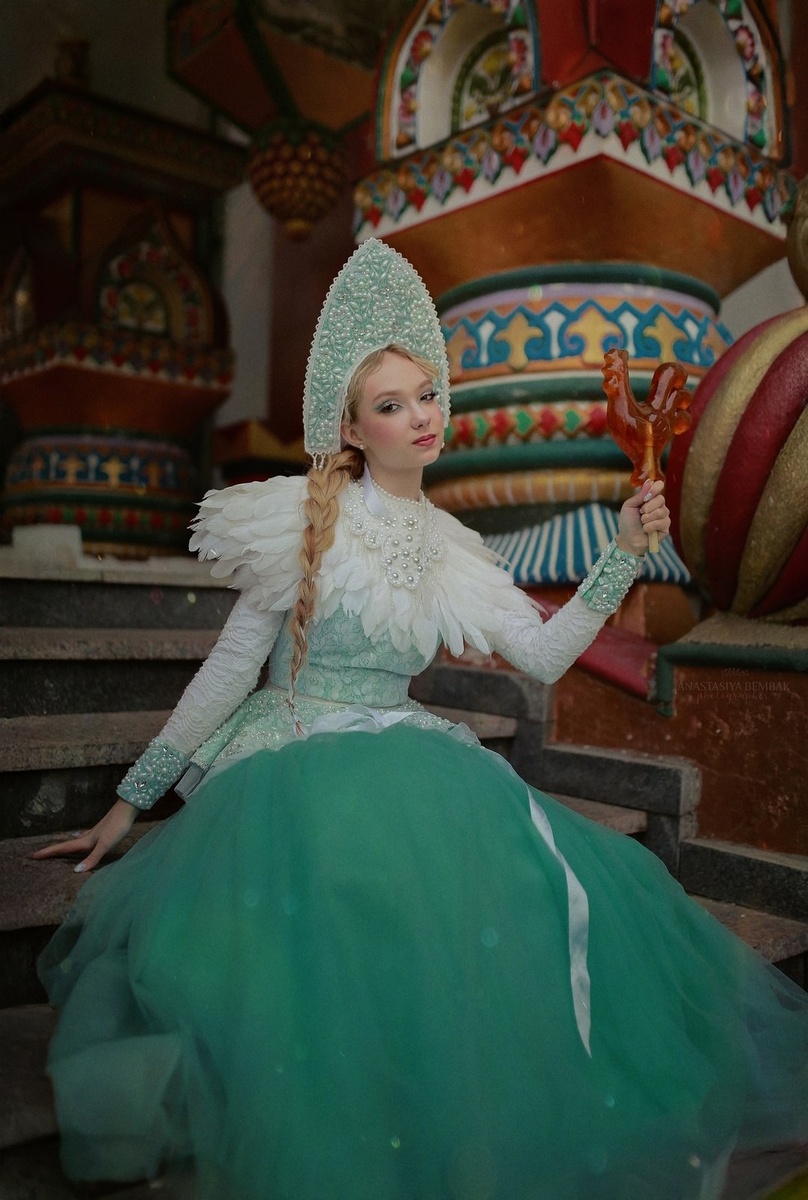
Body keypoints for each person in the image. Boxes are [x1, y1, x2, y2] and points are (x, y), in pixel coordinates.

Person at [35, 240, 808, 1200]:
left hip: (406, 746)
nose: (422, 417)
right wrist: (131, 798)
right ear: (352, 428)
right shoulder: (301, 517)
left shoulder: (453, 547)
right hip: (295, 753)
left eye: (428, 396)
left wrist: (619, 553)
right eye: (392, 405)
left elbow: (542, 656)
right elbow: (232, 665)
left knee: (516, 880)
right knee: (354, 885)